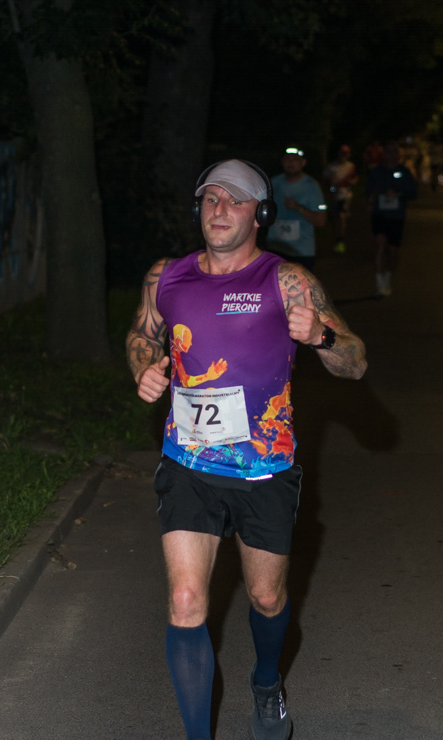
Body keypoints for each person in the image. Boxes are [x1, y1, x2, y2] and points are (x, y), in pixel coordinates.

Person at [127, 159, 367, 740]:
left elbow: (356, 362)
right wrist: (144, 370)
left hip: (263, 469)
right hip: (188, 463)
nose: (219, 210)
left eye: (234, 201)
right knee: (186, 599)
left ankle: (265, 681)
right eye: (210, 199)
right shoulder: (166, 277)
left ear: (261, 214)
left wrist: (321, 336)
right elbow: (142, 334)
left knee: (266, 596)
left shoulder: (287, 282)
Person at [264, 146, 328, 271]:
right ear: (282, 162)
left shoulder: (312, 186)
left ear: (303, 163)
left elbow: (321, 221)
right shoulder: (273, 183)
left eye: (295, 160)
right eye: (287, 159)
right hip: (276, 250)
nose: (291, 163)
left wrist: (298, 208)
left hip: (301, 252)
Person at [367, 139, 418, 297]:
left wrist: (399, 194)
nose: (391, 155)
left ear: (398, 154)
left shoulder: (405, 172)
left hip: (396, 217)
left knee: (393, 252)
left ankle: (387, 278)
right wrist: (372, 198)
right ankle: (379, 285)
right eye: (388, 151)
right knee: (381, 245)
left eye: (394, 151)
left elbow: (413, 193)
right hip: (379, 215)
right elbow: (368, 192)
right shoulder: (376, 171)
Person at [322, 145, 358, 253]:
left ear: (349, 155)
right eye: (342, 153)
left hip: (346, 195)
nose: (343, 155)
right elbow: (324, 179)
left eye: (346, 153)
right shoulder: (332, 167)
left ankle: (340, 240)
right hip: (334, 196)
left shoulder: (351, 166)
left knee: (342, 216)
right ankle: (336, 238)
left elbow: (355, 178)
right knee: (335, 219)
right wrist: (329, 184)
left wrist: (352, 182)